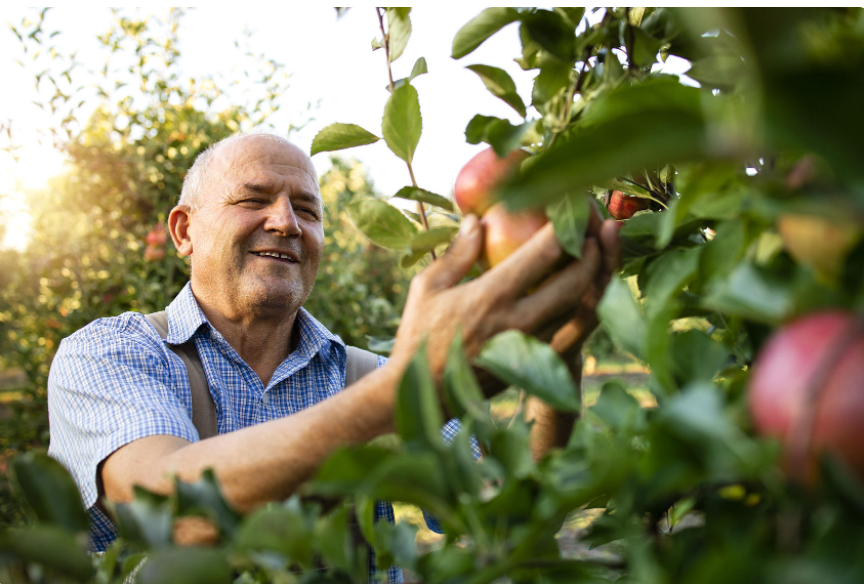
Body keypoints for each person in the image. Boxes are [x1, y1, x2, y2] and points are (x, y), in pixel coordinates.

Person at [47, 132, 620, 581]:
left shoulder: (364, 378)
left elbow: (509, 515)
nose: (286, 223)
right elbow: (176, 516)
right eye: (253, 199)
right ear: (184, 231)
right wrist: (405, 394)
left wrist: (559, 352)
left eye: (308, 210)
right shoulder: (109, 356)